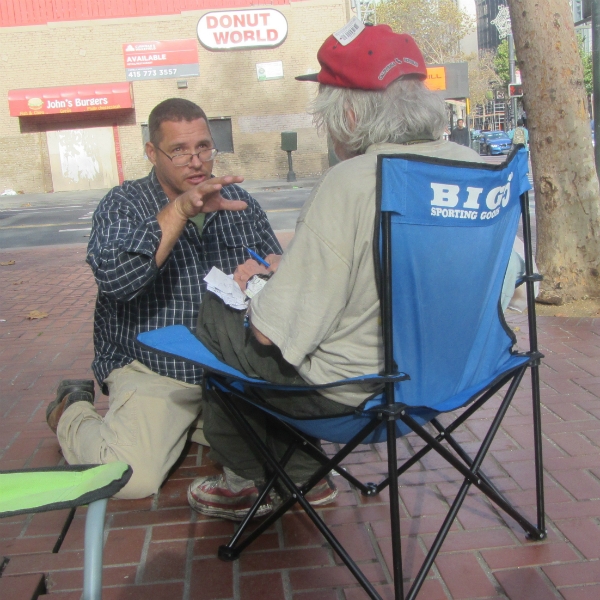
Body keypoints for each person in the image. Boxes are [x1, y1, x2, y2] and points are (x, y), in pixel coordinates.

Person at [186, 23, 503, 522]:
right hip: (456, 380)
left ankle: (250, 479)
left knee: (221, 313)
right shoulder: (476, 168)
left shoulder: (352, 182)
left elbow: (270, 334)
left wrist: (261, 287)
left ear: (350, 114)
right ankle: (294, 470)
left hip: (356, 399)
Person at [46, 98, 282, 499]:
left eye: (204, 147)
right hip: (152, 367)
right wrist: (178, 212)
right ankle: (71, 408)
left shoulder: (238, 203)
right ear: (152, 152)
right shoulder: (123, 204)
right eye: (179, 150)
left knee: (291, 446)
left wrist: (274, 269)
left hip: (228, 367)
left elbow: (274, 269)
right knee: (131, 479)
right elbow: (118, 281)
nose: (195, 161)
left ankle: (189, 422)